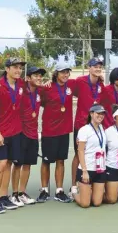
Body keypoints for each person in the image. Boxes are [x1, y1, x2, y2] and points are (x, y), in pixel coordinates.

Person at [0, 57, 26, 213]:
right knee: (1, 165)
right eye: (15, 67)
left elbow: (35, 83)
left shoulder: (21, 84)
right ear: (7, 69)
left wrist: (45, 83)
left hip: (15, 132)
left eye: (20, 67)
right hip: (1, 133)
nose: (18, 70)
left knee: (9, 163)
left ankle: (4, 197)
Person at [37, 63, 77, 203]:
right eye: (62, 72)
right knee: (46, 161)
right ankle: (44, 190)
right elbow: (40, 102)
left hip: (64, 130)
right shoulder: (46, 88)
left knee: (61, 161)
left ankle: (59, 190)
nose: (65, 75)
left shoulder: (71, 86)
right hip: (49, 130)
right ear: (56, 74)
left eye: (67, 72)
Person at [69, 58, 106, 198]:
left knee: (96, 152)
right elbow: (63, 83)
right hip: (81, 124)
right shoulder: (80, 81)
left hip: (96, 126)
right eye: (95, 66)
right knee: (78, 154)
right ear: (89, 68)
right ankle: (73, 185)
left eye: (99, 67)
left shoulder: (101, 84)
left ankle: (94, 182)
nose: (97, 69)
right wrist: (50, 81)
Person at [9, 66, 46, 206]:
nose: (38, 78)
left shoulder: (40, 90)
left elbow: (53, 86)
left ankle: (22, 193)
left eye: (40, 76)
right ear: (28, 78)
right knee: (17, 164)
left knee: (28, 164)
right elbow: (7, 81)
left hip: (33, 133)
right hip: (20, 133)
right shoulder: (20, 87)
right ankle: (14, 194)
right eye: (35, 75)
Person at [73, 104, 107, 208]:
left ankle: (88, 193)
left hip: (100, 170)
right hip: (87, 170)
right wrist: (84, 171)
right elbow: (80, 151)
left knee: (97, 203)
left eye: (102, 114)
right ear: (91, 114)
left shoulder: (102, 128)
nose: (101, 116)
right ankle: (74, 194)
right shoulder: (84, 130)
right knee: (85, 204)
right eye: (98, 113)